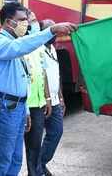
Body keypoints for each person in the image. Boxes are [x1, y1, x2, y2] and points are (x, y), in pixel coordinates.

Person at [0, 2, 76, 176]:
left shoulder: (15, 42)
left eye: (27, 20)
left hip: (18, 107)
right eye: (21, 20)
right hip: (6, 107)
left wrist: (25, 109)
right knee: (2, 159)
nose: (25, 24)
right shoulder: (0, 43)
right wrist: (51, 30)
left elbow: (23, 80)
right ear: (8, 22)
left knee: (15, 158)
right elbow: (21, 47)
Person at [24, 11, 52, 176]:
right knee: (27, 145)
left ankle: (35, 172)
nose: (35, 23)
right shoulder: (21, 46)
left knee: (36, 143)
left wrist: (47, 98)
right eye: (31, 20)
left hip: (39, 103)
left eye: (36, 20)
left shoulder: (39, 46)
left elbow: (44, 73)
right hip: (26, 104)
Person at [39, 19, 65, 176]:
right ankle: (38, 167)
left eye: (55, 31)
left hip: (55, 100)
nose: (54, 35)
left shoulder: (53, 49)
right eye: (50, 31)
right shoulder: (38, 50)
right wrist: (47, 98)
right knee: (35, 139)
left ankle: (40, 163)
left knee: (56, 132)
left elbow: (56, 74)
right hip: (43, 101)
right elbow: (42, 76)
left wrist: (61, 97)